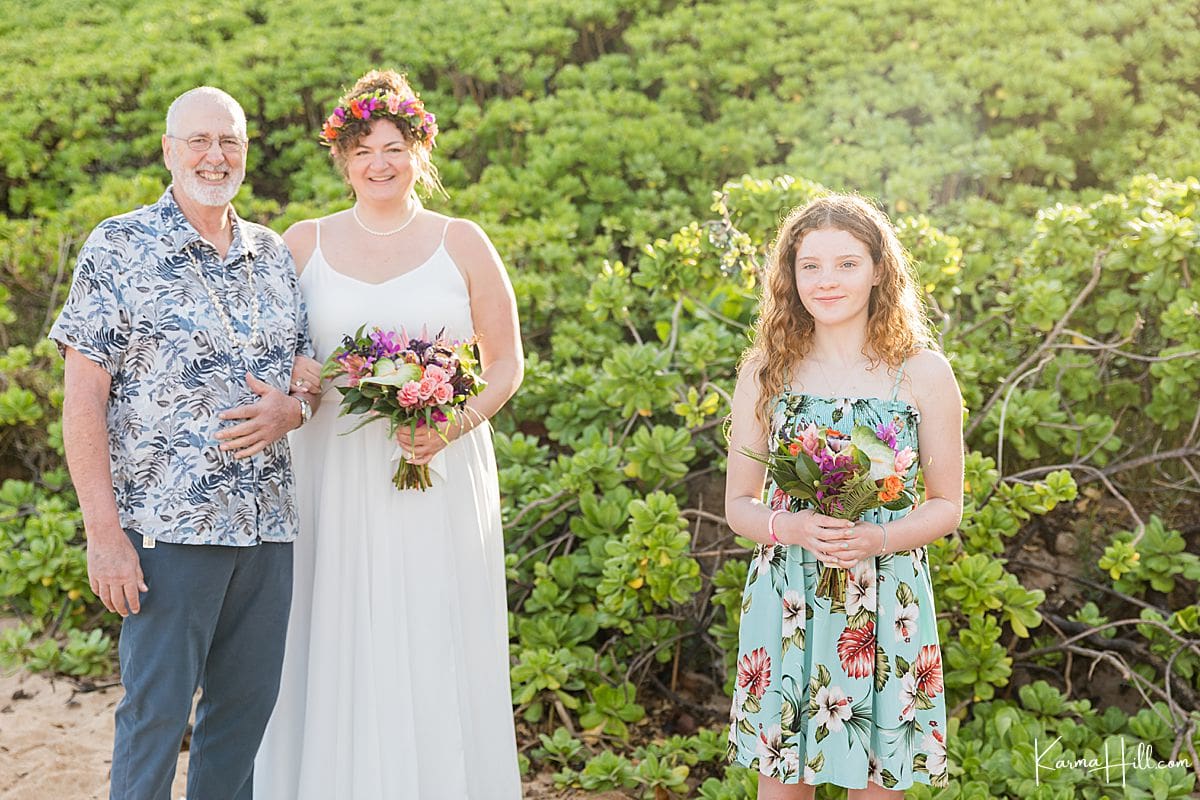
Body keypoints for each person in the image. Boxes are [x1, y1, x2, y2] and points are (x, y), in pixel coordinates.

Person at [254, 69, 524, 799]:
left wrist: (451, 423)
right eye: (365, 147)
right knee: (328, 625)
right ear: (342, 157)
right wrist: (303, 376)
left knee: (429, 622)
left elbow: (506, 366)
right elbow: (274, 354)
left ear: (420, 152)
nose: (381, 161)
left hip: (435, 472)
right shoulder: (301, 243)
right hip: (327, 471)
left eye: (395, 145)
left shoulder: (461, 242)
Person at [50, 86, 314, 800]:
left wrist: (296, 411)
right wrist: (103, 532)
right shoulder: (118, 245)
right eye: (198, 140)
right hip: (169, 532)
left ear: (247, 152)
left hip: (268, 528)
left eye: (229, 140)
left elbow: (305, 374)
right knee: (155, 714)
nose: (214, 154)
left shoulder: (271, 254)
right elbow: (83, 398)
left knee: (242, 717)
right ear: (169, 150)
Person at [723, 194, 963, 796]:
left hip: (887, 597)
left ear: (880, 270)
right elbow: (738, 506)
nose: (826, 281)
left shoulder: (923, 372)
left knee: (880, 782)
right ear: (789, 275)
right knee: (782, 783)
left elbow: (946, 505)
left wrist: (875, 537)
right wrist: (793, 528)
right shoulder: (765, 370)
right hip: (790, 597)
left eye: (846, 264)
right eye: (810, 266)